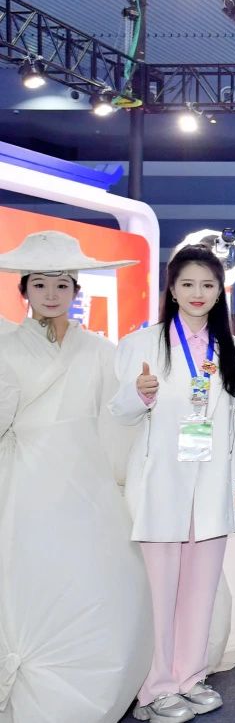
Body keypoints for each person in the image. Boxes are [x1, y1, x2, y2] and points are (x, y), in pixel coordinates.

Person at [0, 232, 151, 723]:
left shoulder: (101, 350)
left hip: (87, 479)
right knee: (28, 579)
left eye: (62, 284)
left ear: (76, 290)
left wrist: (138, 400)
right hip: (24, 479)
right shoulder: (5, 346)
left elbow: (115, 419)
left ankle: (94, 684)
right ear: (24, 289)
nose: (51, 294)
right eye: (40, 284)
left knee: (97, 579)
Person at [110, 245, 235, 721]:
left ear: (219, 292)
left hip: (212, 484)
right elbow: (117, 413)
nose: (198, 293)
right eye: (188, 284)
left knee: (200, 587)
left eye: (208, 285)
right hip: (162, 483)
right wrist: (138, 395)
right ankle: (155, 688)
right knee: (159, 592)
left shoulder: (230, 349)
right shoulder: (141, 344)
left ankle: (190, 677)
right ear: (171, 289)